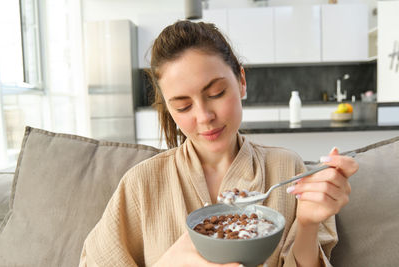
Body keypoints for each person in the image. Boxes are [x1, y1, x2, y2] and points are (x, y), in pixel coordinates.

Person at [79, 20, 358, 267]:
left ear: (242, 81)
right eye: (183, 106)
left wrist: (308, 225)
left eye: (216, 93)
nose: (204, 117)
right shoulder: (141, 184)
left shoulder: (287, 169)